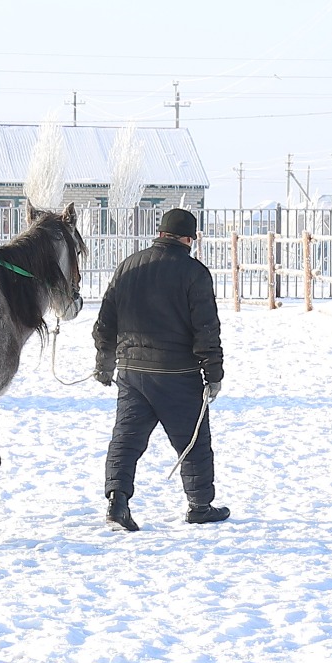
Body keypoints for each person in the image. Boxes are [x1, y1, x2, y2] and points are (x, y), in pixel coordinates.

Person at [91, 207, 229, 531]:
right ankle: (199, 505)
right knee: (192, 441)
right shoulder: (194, 273)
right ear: (187, 238)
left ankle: (117, 501)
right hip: (177, 375)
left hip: (132, 374)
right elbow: (206, 329)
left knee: (126, 439)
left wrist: (104, 363)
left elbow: (104, 324)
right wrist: (214, 373)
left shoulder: (128, 266)